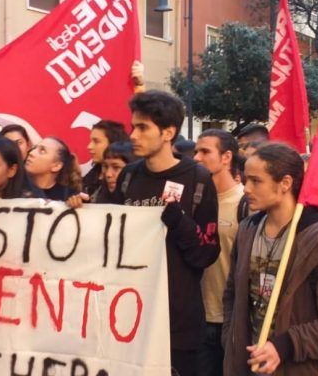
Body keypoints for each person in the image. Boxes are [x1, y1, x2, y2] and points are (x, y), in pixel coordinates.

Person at [222, 143, 318, 375]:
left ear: (285, 183)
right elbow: (232, 295)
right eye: (245, 180)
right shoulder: (248, 229)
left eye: (256, 181)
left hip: (302, 367)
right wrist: (231, 339)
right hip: (249, 365)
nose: (246, 188)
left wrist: (284, 345)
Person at [109, 90, 219, 376]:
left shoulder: (198, 179)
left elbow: (206, 253)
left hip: (178, 326)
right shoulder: (129, 176)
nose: (134, 135)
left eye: (143, 127)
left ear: (168, 132)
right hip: (130, 318)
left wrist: (180, 222)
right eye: (134, 126)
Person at [192, 129, 245, 376]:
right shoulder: (193, 200)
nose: (197, 158)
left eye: (205, 152)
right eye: (195, 152)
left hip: (231, 321)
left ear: (226, 157)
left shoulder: (245, 203)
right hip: (197, 319)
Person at [25, 136, 81, 201]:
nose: (31, 153)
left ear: (56, 166)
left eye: (42, 151)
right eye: (34, 148)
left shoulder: (70, 197)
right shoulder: (16, 189)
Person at [82, 120, 129, 195]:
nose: (89, 146)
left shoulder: (132, 179)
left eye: (96, 141)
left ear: (113, 143)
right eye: (105, 167)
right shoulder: (88, 179)